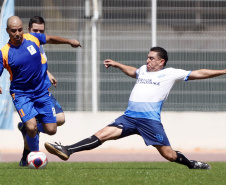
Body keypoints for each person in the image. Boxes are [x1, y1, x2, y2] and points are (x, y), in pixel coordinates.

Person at [45, 46, 226, 169]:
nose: (147, 61)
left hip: (149, 121)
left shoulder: (171, 73)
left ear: (161, 61)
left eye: (151, 58)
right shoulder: (143, 70)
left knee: (169, 155)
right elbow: (134, 71)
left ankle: (192, 164)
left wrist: (223, 71)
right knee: (101, 134)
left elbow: (199, 73)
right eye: (147, 58)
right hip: (129, 117)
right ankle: (67, 150)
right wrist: (117, 64)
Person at [0, 15, 81, 164]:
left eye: (19, 30)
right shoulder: (4, 52)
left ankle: (28, 131)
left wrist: (69, 41)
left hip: (41, 92)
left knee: (52, 129)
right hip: (21, 94)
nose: (17, 33)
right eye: (13, 31)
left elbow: (50, 38)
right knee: (31, 127)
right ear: (7, 31)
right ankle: (35, 156)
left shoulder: (32, 38)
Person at [17, 16, 67, 166]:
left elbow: (38, 65)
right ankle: (25, 159)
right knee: (33, 129)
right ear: (28, 30)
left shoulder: (38, 44)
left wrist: (48, 74)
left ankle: (27, 128)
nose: (38, 33)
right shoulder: (22, 45)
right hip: (28, 94)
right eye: (35, 30)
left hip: (43, 91)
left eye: (41, 31)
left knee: (60, 119)